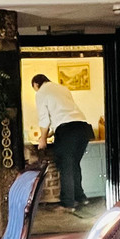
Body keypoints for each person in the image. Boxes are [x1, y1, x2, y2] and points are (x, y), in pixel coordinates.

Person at [32, 74, 95, 212]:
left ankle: (67, 204)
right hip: (83, 128)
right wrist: (50, 133)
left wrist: (43, 139)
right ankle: (80, 197)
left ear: (36, 84)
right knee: (74, 164)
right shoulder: (62, 88)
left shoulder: (41, 92)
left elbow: (44, 118)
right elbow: (65, 116)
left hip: (68, 130)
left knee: (65, 165)